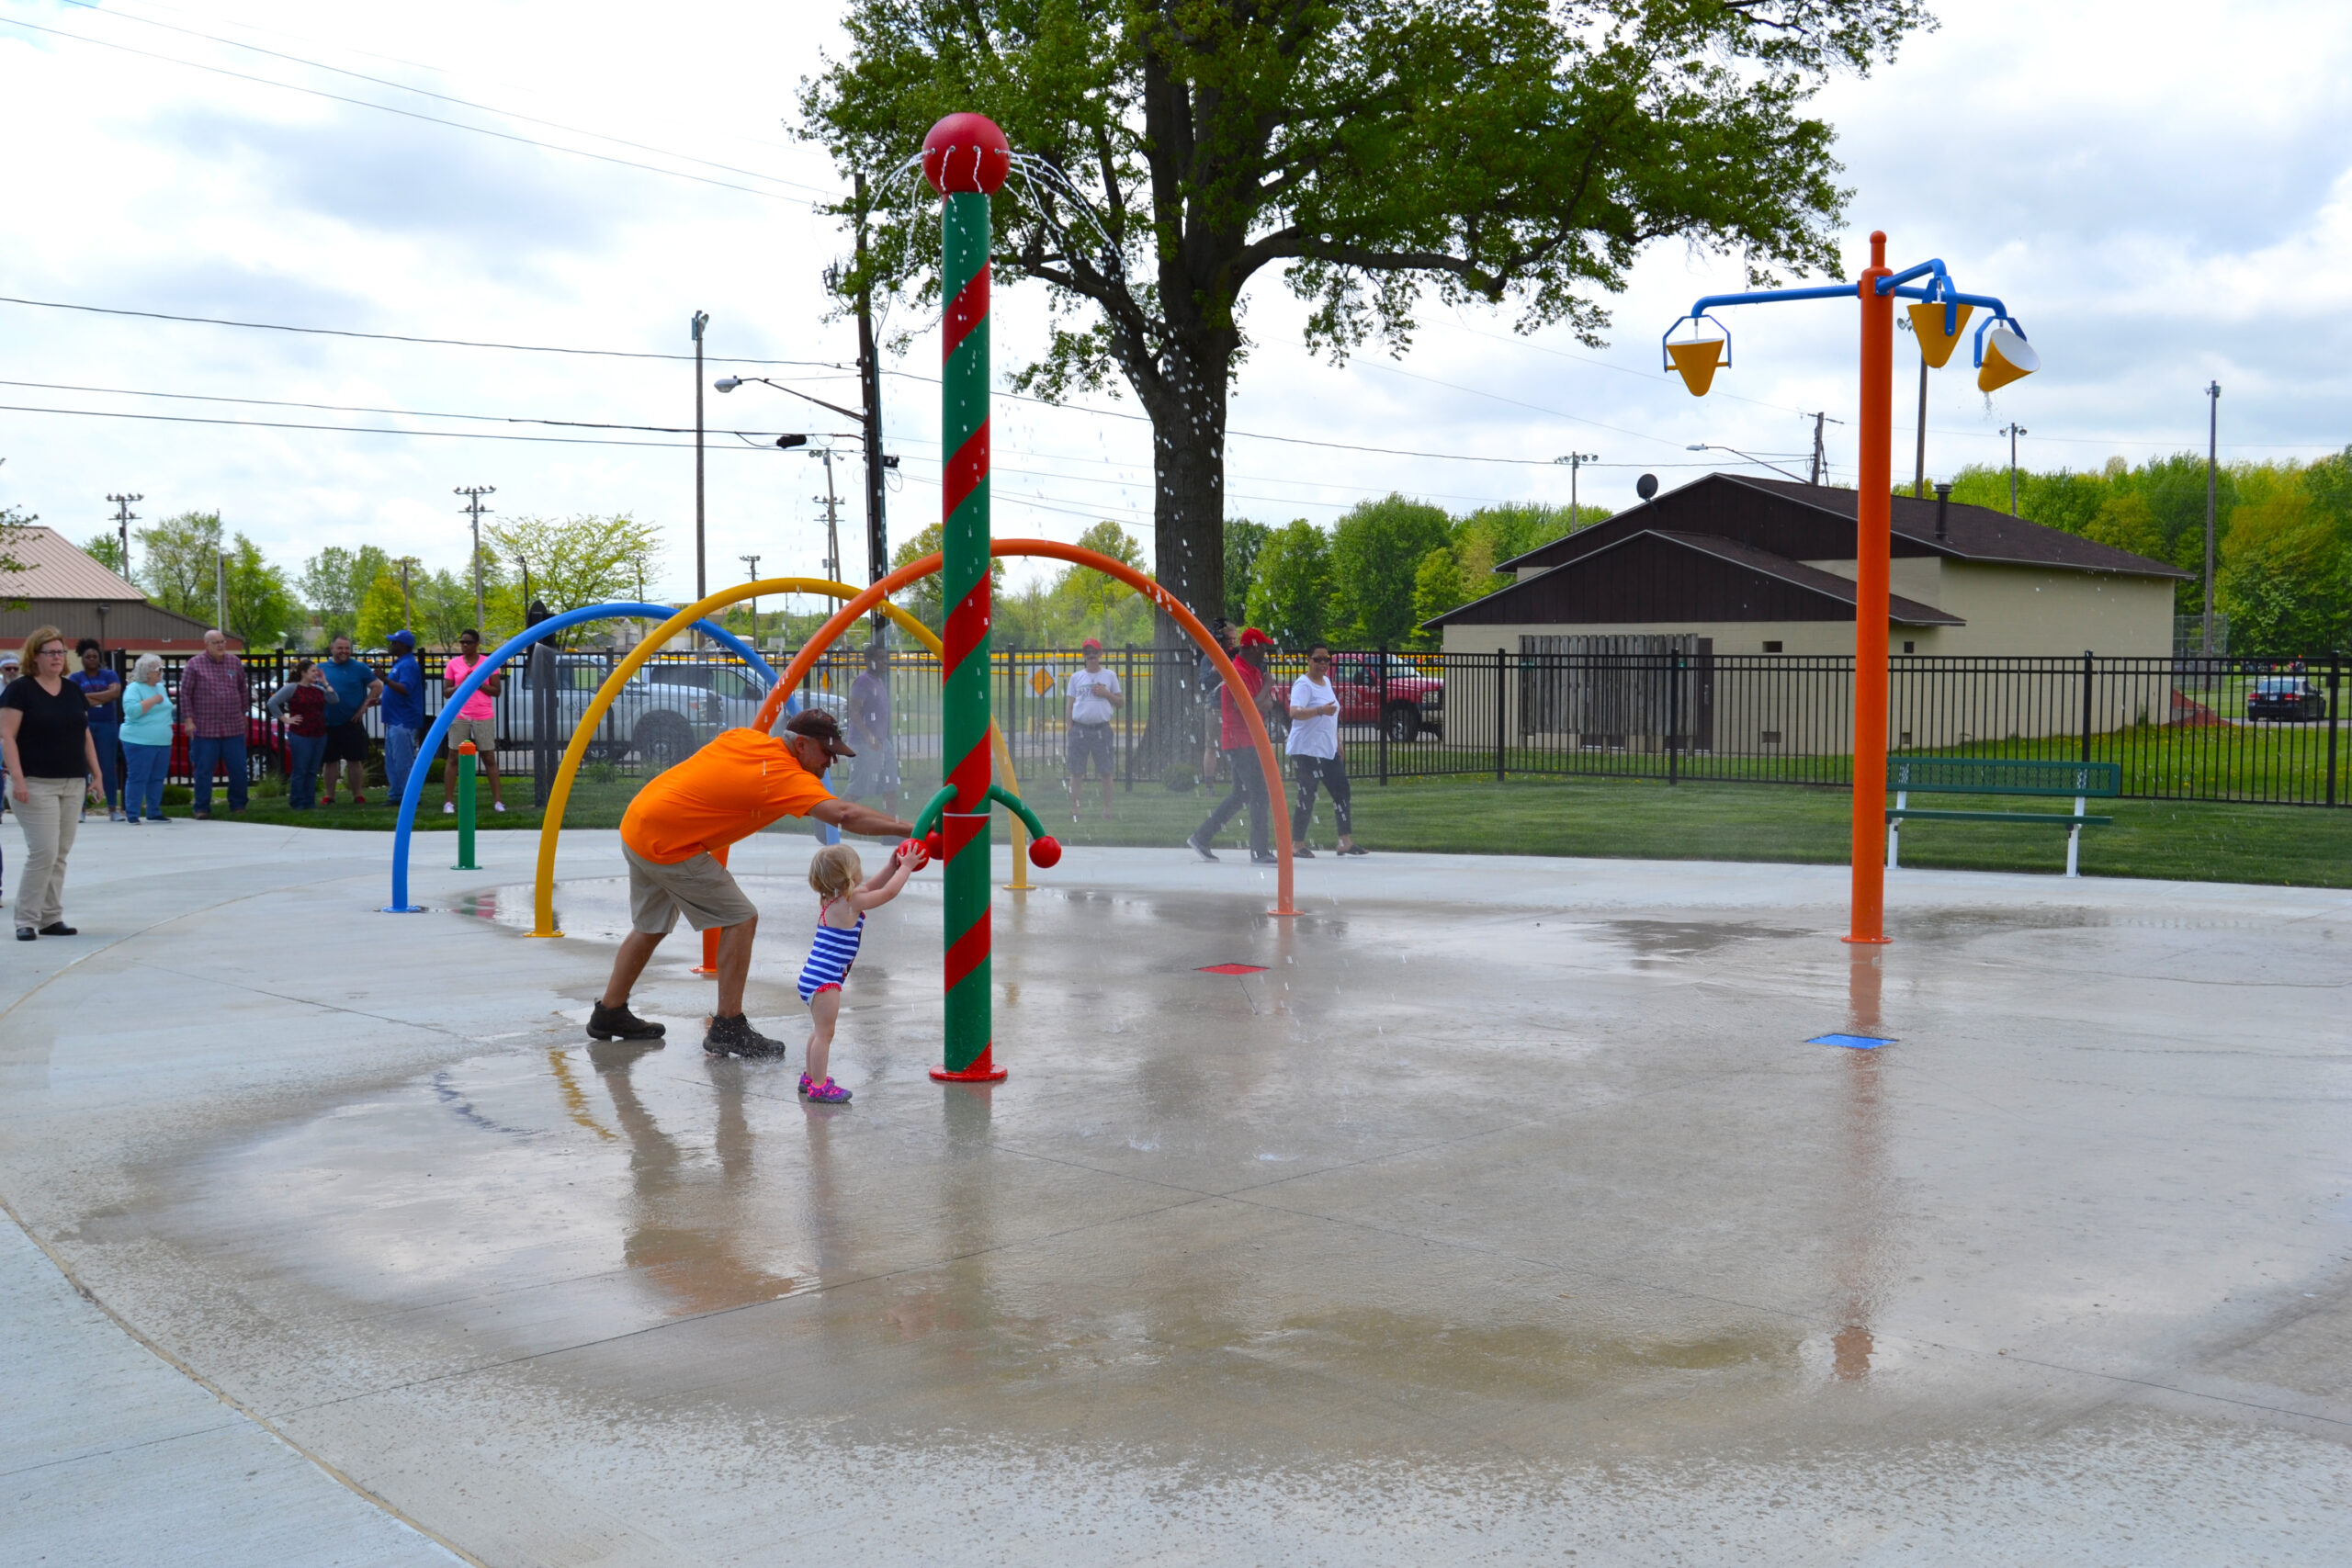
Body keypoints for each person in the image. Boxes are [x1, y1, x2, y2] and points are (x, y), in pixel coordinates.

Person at [587, 709, 913, 1058]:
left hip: (641, 822)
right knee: (740, 917)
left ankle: (609, 1014)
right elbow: (845, 816)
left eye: (837, 754)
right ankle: (728, 1027)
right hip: (669, 843)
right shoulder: (784, 776)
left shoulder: (746, 738)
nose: (831, 762)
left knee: (649, 926)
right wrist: (912, 827)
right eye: (826, 752)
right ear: (800, 745)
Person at [795, 840, 924, 1104]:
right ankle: (819, 1086)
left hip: (814, 977)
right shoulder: (851, 903)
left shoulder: (835, 899)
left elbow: (872, 886)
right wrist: (907, 868)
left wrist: (892, 866)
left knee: (819, 1031)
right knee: (824, 1034)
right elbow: (887, 893)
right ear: (848, 874)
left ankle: (810, 1078)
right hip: (825, 982)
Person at [1, 627, 104, 940]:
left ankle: (50, 917)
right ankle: (26, 920)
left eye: (61, 652)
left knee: (59, 852)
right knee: (43, 852)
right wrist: (17, 778)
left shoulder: (72, 691)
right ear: (35, 656)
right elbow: (7, 736)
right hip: (34, 783)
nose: (58, 658)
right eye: (51, 653)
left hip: (71, 782)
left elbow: (83, 733)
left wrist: (97, 774)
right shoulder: (20, 690)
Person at [1188, 626, 1278, 864]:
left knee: (1241, 794)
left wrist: (1262, 698)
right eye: (1264, 647)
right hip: (1241, 742)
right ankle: (1259, 851)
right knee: (1259, 793)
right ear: (1255, 647)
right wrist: (1267, 687)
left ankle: (1201, 837)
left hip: (1249, 741)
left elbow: (1264, 704)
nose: (1266, 652)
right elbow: (1246, 706)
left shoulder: (1252, 670)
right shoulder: (1237, 671)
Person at [1286, 642, 1365, 857]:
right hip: (1306, 751)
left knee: (1342, 791)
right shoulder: (1303, 685)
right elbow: (1294, 712)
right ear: (1308, 660)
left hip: (1327, 750)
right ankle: (1297, 844)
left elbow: (1333, 717)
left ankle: (1345, 842)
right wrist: (1320, 710)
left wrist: (1337, 741)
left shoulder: (1326, 682)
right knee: (1307, 795)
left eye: (1326, 659)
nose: (1323, 663)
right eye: (1318, 659)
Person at [178, 628, 251, 818]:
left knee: (239, 769)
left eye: (223, 642)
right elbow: (185, 693)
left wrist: (243, 712)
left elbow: (243, 689)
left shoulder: (234, 663)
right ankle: (201, 807)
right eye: (216, 642)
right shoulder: (194, 664)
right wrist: (188, 720)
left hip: (233, 726)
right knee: (203, 770)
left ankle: (238, 804)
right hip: (205, 728)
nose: (220, 645)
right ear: (206, 645)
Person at [441, 629, 506, 815]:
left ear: (477, 644)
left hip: (483, 714)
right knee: (453, 756)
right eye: (462, 642)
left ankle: (498, 801)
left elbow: (496, 691)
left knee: (488, 757)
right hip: (460, 714)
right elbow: (446, 692)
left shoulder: (488, 663)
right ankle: (448, 802)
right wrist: (463, 685)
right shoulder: (453, 664)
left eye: (468, 642)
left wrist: (478, 683)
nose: (464, 645)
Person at [316, 635, 383, 807]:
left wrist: (364, 707)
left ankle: (358, 795)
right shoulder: (321, 669)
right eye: (340, 648)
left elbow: (378, 686)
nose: (344, 651)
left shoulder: (359, 668)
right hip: (328, 722)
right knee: (330, 761)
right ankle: (329, 796)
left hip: (351, 722)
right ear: (331, 649)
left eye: (347, 648)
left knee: (354, 760)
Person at [1064, 637, 1124, 821]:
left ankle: (1107, 810)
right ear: (1083, 655)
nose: (1091, 655)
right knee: (1076, 772)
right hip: (1079, 729)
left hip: (1102, 730)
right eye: (1087, 652)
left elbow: (1120, 703)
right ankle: (1075, 810)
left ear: (1100, 654)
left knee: (1106, 772)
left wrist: (1106, 694)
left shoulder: (1109, 676)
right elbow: (1070, 704)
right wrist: (1069, 727)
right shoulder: (1076, 677)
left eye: (1094, 652)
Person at [843, 641, 900, 815]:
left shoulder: (879, 681)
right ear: (869, 661)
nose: (885, 662)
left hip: (882, 743)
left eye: (886, 658)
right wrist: (869, 736)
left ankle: (892, 829)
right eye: (881, 658)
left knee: (890, 785)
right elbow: (854, 711)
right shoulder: (863, 681)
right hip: (863, 744)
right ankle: (828, 823)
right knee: (858, 788)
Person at [72, 639, 125, 822]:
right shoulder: (76, 678)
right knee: (82, 767)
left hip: (107, 725)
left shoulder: (109, 675)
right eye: (88, 657)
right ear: (82, 659)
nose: (91, 659)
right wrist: (103, 696)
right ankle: (81, 809)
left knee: (107, 767)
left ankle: (112, 809)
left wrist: (87, 698)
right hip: (83, 726)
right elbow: (75, 698)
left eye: (94, 656)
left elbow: (115, 693)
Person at [119, 653, 175, 825]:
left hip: (162, 741)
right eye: (158, 669)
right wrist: (152, 700)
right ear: (148, 672)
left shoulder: (160, 687)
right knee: (138, 777)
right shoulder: (134, 688)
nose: (161, 672)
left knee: (157, 778)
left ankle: (154, 811)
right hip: (139, 741)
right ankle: (133, 813)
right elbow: (132, 711)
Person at [379, 630, 426, 802]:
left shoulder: (408, 665)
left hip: (404, 721)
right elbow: (396, 691)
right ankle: (397, 795)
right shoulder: (401, 663)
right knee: (392, 761)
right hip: (395, 720)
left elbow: (405, 689)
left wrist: (384, 679)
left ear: (404, 646)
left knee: (404, 762)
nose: (391, 646)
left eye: (394, 643)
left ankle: (410, 798)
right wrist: (380, 701)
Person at [280, 660, 331, 810]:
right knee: (300, 770)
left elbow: (334, 699)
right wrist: (285, 719)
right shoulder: (292, 688)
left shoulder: (318, 690)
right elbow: (272, 702)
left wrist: (325, 682)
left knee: (312, 770)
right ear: (303, 672)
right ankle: (297, 801)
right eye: (313, 671)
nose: (316, 673)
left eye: (317, 671)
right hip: (301, 734)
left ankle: (309, 801)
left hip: (319, 734)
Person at [1197, 617, 1238, 784]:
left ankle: (1237, 780)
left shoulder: (1237, 656)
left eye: (1235, 639)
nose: (1232, 643)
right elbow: (1204, 682)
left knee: (1237, 745)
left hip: (1235, 706)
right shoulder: (1209, 658)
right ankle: (1209, 783)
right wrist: (1214, 671)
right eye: (1229, 639)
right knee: (1211, 746)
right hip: (1216, 706)